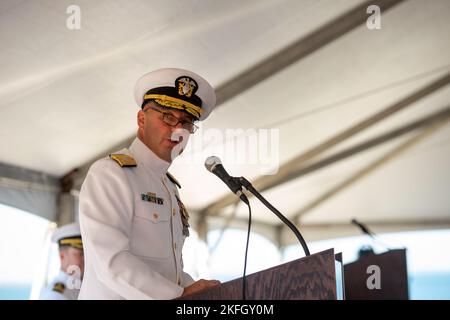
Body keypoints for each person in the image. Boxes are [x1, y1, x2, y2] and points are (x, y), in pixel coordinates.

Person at [78, 68, 220, 299]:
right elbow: (111, 261)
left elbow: (168, 270)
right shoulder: (111, 173)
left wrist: (200, 290)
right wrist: (179, 295)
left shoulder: (169, 187)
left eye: (186, 123)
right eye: (168, 117)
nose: (178, 130)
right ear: (141, 119)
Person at [40, 222, 84, 300]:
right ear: (62, 257)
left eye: (85, 254)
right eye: (79, 254)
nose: (84, 259)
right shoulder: (55, 296)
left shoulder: (78, 287)